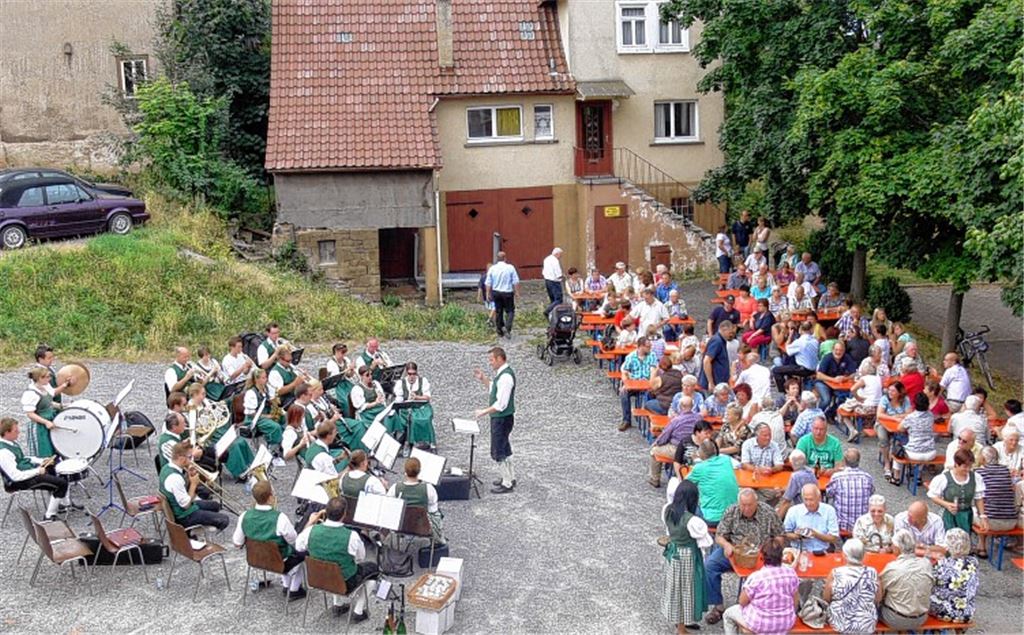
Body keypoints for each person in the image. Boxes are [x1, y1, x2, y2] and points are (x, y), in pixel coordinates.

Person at [705, 490, 785, 626]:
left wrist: (772, 548)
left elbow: (780, 535)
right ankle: (718, 606)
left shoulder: (768, 512)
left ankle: (755, 608)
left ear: (757, 503)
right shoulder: (732, 511)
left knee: (763, 575)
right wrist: (726, 545)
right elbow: (719, 535)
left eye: (750, 505)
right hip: (735, 551)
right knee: (710, 565)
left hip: (761, 554)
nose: (746, 508)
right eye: (743, 505)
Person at [295, 496, 379, 622]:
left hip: (316, 578)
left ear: (326, 511)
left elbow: (298, 546)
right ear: (344, 514)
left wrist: (311, 522)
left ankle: (338, 605)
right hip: (343, 582)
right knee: (373, 569)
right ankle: (358, 611)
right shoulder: (351, 536)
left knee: (331, 564)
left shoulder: (311, 530)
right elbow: (360, 558)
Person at [232, 480, 314, 600]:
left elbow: (237, 543)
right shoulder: (280, 517)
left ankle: (286, 585)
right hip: (279, 561)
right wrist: (310, 523)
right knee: (303, 552)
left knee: (285, 551)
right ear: (270, 497)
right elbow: (293, 541)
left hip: (255, 559)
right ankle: (293, 590)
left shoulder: (244, 516)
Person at [660, 480, 711, 633]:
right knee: (686, 591)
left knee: (675, 588)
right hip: (687, 556)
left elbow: (669, 532)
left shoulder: (667, 510)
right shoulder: (693, 521)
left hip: (673, 554)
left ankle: (679, 623)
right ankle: (682, 629)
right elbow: (706, 542)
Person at [721, 536, 799, 635]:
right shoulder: (791, 573)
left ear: (762, 556)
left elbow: (742, 602)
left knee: (728, 614)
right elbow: (795, 602)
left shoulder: (756, 577)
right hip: (786, 622)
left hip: (760, 624)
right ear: (781, 556)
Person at [0, 417, 73, 520]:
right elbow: (15, 476)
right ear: (7, 433)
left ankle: (63, 503)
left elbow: (22, 458)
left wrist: (41, 461)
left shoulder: (10, 442)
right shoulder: (3, 453)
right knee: (62, 483)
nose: (19, 432)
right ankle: (49, 515)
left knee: (55, 468)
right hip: (20, 481)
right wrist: (37, 471)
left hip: (26, 472)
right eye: (16, 431)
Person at [185, 383, 256, 481]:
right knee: (232, 446)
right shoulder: (192, 409)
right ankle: (240, 472)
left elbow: (215, 409)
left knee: (240, 441)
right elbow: (193, 431)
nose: (204, 396)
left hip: (215, 432)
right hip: (207, 439)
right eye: (202, 394)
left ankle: (252, 465)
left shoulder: (204, 402)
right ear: (194, 395)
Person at [473, 347, 517, 494]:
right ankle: (510, 477)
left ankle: (507, 483)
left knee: (498, 450)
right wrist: (483, 379)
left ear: (499, 359)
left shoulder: (506, 378)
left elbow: (501, 404)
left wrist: (483, 412)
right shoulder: (502, 375)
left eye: (492, 360)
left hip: (501, 419)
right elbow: (493, 388)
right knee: (505, 447)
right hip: (503, 418)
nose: (490, 363)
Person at [159, 442, 230, 532]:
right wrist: (194, 484)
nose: (191, 460)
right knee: (224, 519)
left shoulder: (166, 468)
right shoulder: (175, 478)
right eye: (189, 457)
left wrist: (189, 477)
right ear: (181, 458)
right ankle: (194, 535)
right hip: (184, 516)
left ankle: (205, 520)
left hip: (180, 506)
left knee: (215, 506)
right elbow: (186, 505)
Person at [824, 539, 881, 633]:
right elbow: (878, 599)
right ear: (864, 555)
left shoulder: (835, 573)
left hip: (840, 622)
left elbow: (826, 598)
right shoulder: (873, 572)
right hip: (866, 624)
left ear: (845, 555)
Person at [387, 456, 446, 545]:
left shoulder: (395, 488)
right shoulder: (428, 488)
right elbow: (433, 511)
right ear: (419, 471)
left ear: (405, 472)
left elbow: (388, 508)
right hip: (422, 527)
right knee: (437, 513)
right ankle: (438, 541)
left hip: (401, 526)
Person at [929, 449, 987, 533]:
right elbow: (933, 496)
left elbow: (979, 498)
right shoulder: (944, 478)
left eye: (970, 466)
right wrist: (947, 504)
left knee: (964, 540)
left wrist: (982, 516)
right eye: (965, 466)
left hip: (966, 515)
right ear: (956, 464)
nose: (968, 469)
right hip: (948, 515)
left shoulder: (975, 477)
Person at [928, 528, 979, 623]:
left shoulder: (942, 564)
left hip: (945, 612)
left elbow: (932, 584)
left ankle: (935, 631)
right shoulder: (973, 562)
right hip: (967, 612)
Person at [685, 440, 739, 526]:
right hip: (734, 515)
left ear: (700, 453)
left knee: (685, 502)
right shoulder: (726, 460)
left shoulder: (699, 468)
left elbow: (685, 485)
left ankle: (690, 534)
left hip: (712, 518)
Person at [20, 366, 70, 458]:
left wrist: (62, 406)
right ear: (40, 378)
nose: (50, 379)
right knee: (43, 451)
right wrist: (46, 422)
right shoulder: (31, 393)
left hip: (50, 420)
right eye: (47, 377)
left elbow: (48, 402)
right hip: (39, 426)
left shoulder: (45, 387)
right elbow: (30, 414)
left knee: (54, 448)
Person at [826, 448, 874, 532]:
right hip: (863, 524)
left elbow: (828, 494)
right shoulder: (867, 477)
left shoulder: (837, 477)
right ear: (859, 461)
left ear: (844, 461)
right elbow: (871, 492)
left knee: (830, 503)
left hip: (842, 524)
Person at [783, 483, 840, 551]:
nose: (808, 503)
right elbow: (784, 533)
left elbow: (834, 538)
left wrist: (815, 534)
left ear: (819, 498)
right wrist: (798, 536)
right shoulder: (794, 510)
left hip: (822, 551)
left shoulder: (829, 510)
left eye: (811, 500)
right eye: (805, 499)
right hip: (799, 550)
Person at [617, 337, 656, 432]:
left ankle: (649, 421)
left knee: (651, 393)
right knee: (624, 393)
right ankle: (626, 420)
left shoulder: (652, 355)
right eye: (648, 346)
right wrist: (626, 383)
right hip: (634, 384)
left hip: (646, 384)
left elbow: (653, 371)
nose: (650, 348)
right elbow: (624, 371)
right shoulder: (631, 357)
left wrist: (651, 384)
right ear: (641, 346)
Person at [394, 362, 436, 450]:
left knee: (426, 419)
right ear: (406, 373)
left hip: (422, 406)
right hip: (407, 408)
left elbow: (427, 397)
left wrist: (417, 397)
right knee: (413, 419)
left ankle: (428, 440)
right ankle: (411, 441)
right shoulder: (401, 383)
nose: (411, 376)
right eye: (409, 374)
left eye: (413, 374)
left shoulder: (422, 381)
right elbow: (399, 400)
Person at [875, 381, 912, 481]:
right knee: (883, 438)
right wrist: (894, 418)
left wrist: (897, 416)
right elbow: (879, 415)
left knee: (904, 439)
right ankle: (887, 463)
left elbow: (909, 414)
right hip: (883, 424)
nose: (890, 392)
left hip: (900, 426)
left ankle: (901, 464)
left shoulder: (905, 400)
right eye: (889, 390)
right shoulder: (885, 399)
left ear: (899, 392)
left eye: (893, 391)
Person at [976, 446, 1018, 533]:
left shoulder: (979, 473)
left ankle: (982, 544)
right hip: (1011, 521)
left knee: (972, 508)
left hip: (989, 521)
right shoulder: (1006, 470)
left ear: (983, 459)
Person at [770, 321, 818, 392]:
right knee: (789, 364)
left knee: (776, 370)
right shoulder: (815, 341)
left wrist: (790, 337)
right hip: (813, 368)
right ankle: (793, 384)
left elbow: (787, 350)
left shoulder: (799, 342)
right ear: (811, 330)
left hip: (803, 369)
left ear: (800, 330)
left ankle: (785, 392)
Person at [240, 369, 285, 445]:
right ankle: (273, 446)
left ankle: (284, 441)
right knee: (275, 427)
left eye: (266, 377)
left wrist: (274, 403)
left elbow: (270, 400)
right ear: (257, 380)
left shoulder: (266, 388)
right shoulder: (251, 393)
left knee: (284, 418)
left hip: (265, 414)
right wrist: (267, 416)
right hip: (255, 419)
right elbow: (251, 414)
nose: (266, 379)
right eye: (263, 378)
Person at [484, 251, 520, 339]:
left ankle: (499, 330)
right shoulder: (510, 268)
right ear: (505, 258)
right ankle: (507, 328)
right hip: (508, 292)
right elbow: (515, 281)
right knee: (510, 311)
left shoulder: (492, 268)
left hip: (496, 292)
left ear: (497, 259)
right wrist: (517, 292)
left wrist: (488, 293)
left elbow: (488, 282)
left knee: (498, 311)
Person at [776, 449, 818, 519]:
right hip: (815, 505)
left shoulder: (796, 476)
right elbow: (799, 486)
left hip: (803, 510)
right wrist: (784, 490)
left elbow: (786, 501)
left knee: (780, 507)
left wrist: (776, 522)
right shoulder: (810, 472)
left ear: (791, 462)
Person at [898, 392, 938, 463]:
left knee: (898, 442)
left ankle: (896, 472)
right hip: (931, 453)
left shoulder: (911, 417)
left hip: (913, 453)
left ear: (914, 404)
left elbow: (900, 429)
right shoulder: (931, 415)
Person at [699, 321, 736, 392]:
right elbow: (707, 361)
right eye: (730, 332)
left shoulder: (721, 341)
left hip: (719, 383)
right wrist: (710, 382)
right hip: (714, 384)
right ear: (724, 329)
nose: (731, 335)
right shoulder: (717, 341)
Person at [541, 247, 564, 317]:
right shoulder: (555, 261)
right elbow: (558, 273)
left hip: (547, 280)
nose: (561, 256)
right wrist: (562, 276)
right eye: (560, 255)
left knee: (552, 299)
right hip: (555, 281)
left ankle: (553, 315)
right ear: (557, 254)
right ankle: (547, 311)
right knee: (558, 299)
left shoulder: (546, 259)